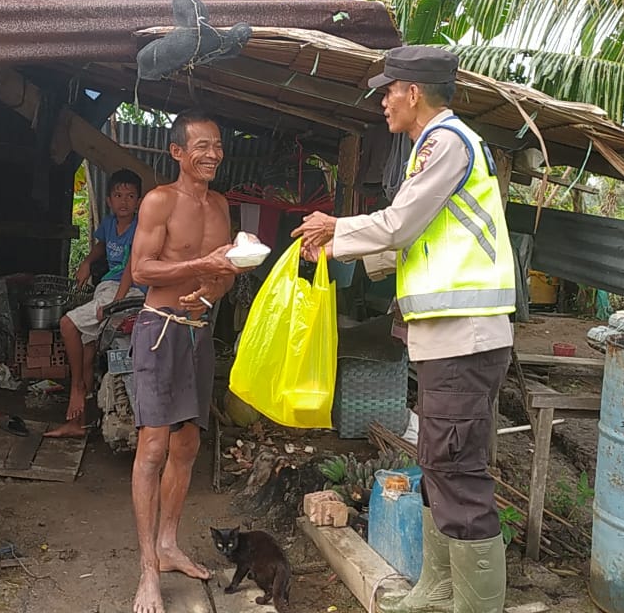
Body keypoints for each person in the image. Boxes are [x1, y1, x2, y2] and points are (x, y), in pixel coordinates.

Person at [293, 46, 516, 613]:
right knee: (439, 462)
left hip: (463, 336)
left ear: (412, 91)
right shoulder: (436, 146)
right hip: (447, 337)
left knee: (457, 468)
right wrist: (341, 250)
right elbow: (413, 242)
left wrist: (334, 226)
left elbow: (399, 225)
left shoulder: (446, 142)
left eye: (388, 89)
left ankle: (472, 604)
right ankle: (438, 589)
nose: (383, 100)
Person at [126, 109, 250, 613]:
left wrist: (211, 288)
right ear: (177, 152)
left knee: (188, 444)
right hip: (159, 332)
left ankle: (169, 543)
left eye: (217, 145)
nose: (212, 154)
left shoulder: (221, 206)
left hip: (198, 333)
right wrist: (200, 265)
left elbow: (227, 271)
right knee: (153, 448)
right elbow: (140, 270)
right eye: (201, 145)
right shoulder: (159, 201)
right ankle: (147, 572)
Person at [45, 168, 145, 439]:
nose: (124, 201)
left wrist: (116, 304)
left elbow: (132, 269)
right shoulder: (111, 225)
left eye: (130, 196)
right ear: (109, 201)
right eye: (118, 195)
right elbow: (101, 245)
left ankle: (77, 387)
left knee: (67, 323)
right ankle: (78, 424)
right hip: (108, 289)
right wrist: (88, 262)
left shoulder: (141, 228)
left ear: (139, 202)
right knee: (87, 353)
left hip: (129, 291)